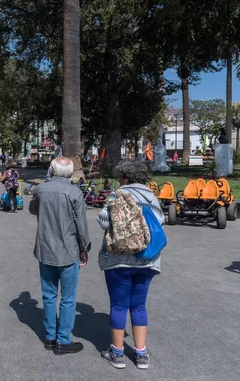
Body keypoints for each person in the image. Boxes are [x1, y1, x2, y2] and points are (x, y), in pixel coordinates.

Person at [96, 161, 164, 370]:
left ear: (125, 177)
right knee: (138, 305)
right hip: (146, 260)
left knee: (118, 305)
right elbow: (160, 221)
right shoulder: (152, 197)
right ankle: (141, 354)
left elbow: (104, 221)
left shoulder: (118, 194)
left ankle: (116, 353)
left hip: (119, 260)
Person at [29, 157, 91, 355]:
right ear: (71, 173)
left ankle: (50, 336)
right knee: (68, 297)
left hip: (45, 248)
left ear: (52, 170)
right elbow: (81, 225)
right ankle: (63, 339)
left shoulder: (41, 190)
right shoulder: (74, 192)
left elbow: (32, 209)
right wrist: (84, 247)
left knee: (49, 295)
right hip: (67, 250)